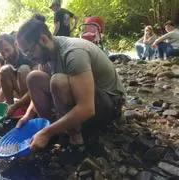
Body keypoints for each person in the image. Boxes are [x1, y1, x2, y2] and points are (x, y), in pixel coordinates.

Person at [15, 16, 125, 152]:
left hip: (109, 105)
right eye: (25, 54)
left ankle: (76, 139)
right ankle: (52, 129)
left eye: (29, 51)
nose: (29, 57)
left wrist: (46, 133)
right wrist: (28, 115)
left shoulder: (73, 52)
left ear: (43, 40)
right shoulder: (46, 54)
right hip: (89, 99)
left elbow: (87, 108)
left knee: (57, 81)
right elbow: (36, 88)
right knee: (34, 77)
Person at [0, 34, 37, 117]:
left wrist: (17, 105)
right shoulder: (7, 59)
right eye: (2, 53)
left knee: (23, 69)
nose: (6, 55)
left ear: (15, 45)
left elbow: (36, 87)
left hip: (34, 94)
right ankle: (10, 106)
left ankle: (25, 109)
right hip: (19, 94)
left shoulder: (29, 57)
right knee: (4, 70)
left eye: (7, 50)